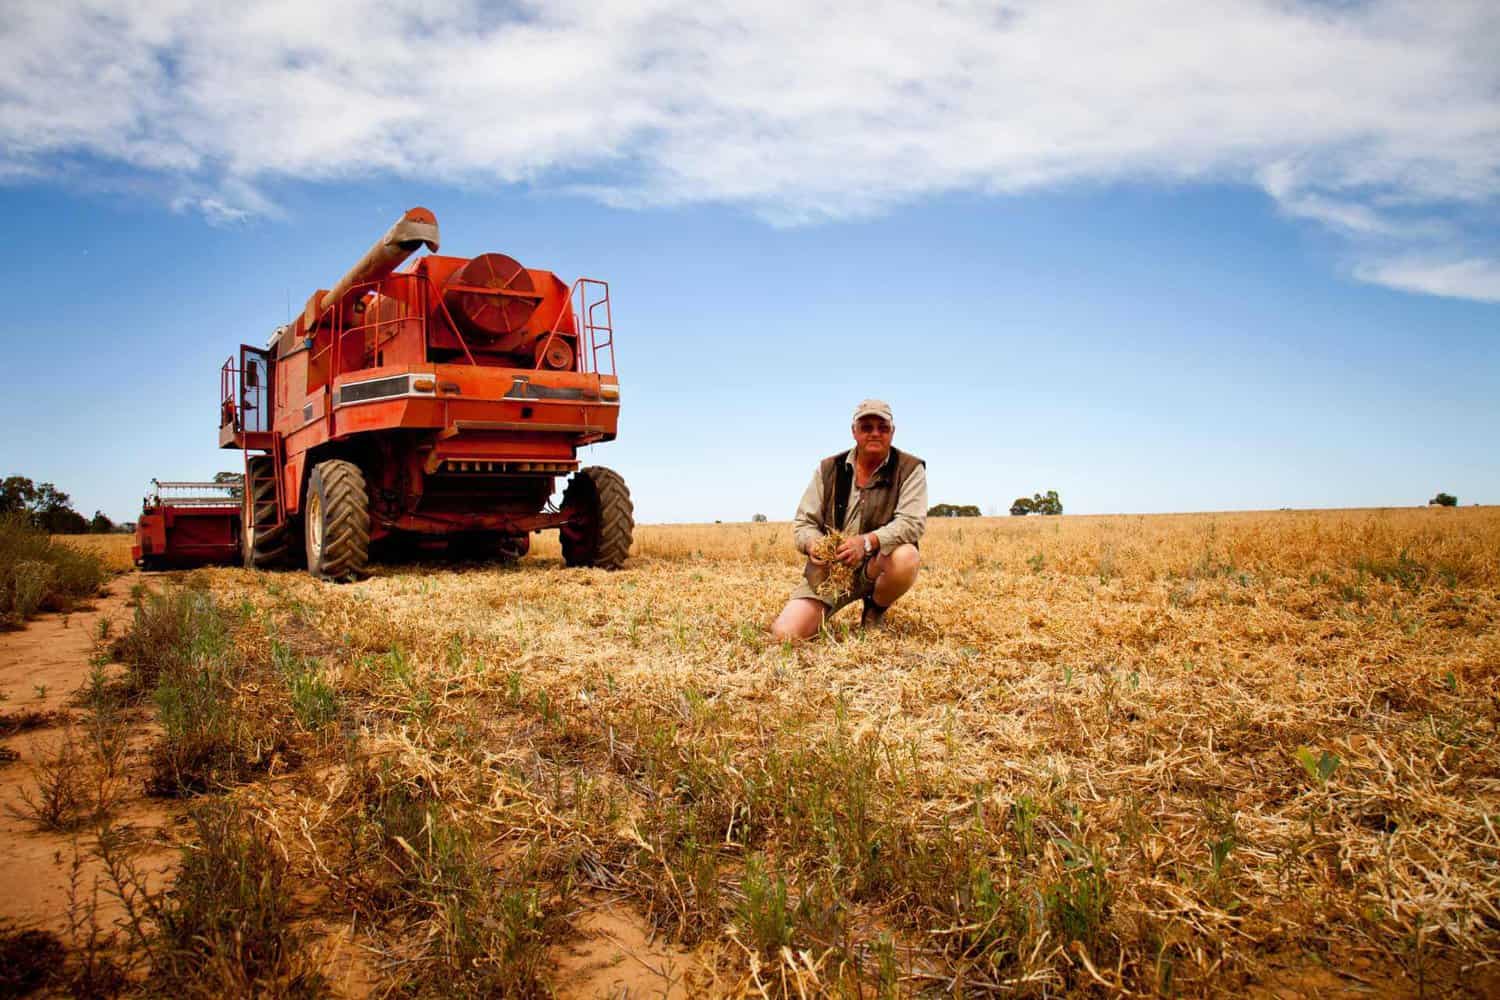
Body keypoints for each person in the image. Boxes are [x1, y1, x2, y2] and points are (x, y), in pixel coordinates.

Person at [770, 399, 927, 640]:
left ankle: (874, 609)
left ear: (892, 432)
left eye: (882, 427)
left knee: (906, 556)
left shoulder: (910, 468)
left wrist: (866, 542)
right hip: (831, 572)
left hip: (876, 562)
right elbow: (804, 523)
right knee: (786, 635)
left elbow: (911, 523)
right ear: (854, 431)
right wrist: (814, 545)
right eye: (866, 427)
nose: (875, 433)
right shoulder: (828, 468)